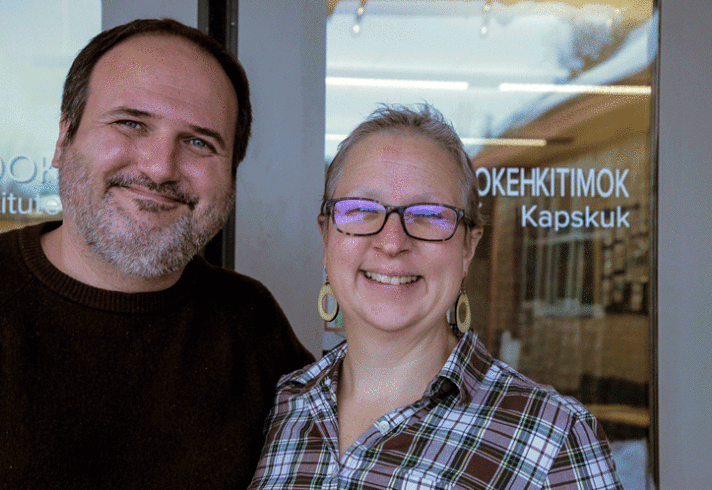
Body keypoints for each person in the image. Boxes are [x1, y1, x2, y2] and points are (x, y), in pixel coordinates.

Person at [0, 18, 313, 489]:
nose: (160, 168)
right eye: (131, 123)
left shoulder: (251, 322)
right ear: (64, 139)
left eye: (199, 142)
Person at [248, 104, 623, 489]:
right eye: (361, 209)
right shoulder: (283, 404)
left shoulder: (553, 439)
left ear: (467, 248)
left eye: (428, 214)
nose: (392, 242)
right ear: (326, 237)